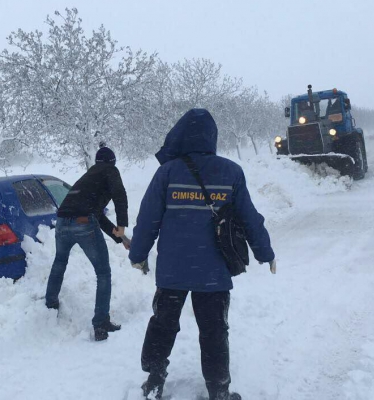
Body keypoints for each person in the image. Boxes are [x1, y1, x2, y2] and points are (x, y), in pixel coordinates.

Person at [128, 109, 276, 400]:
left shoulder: (167, 172)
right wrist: (265, 252)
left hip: (172, 271)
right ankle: (218, 391)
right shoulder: (231, 172)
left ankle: (154, 380)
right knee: (214, 332)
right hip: (214, 274)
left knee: (163, 324)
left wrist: (139, 253)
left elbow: (148, 219)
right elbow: (249, 217)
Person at [45, 146, 129, 341]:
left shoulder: (88, 178)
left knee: (59, 262)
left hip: (62, 222)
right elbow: (119, 194)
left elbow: (97, 213)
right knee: (103, 272)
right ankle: (101, 323)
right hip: (83, 222)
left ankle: (50, 306)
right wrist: (123, 225)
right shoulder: (110, 170)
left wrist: (120, 237)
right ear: (112, 162)